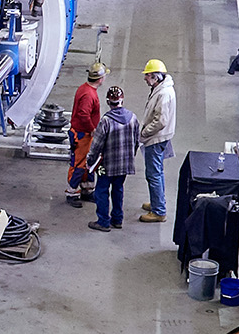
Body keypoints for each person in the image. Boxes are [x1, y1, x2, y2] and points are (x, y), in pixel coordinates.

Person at [84, 82, 139, 232]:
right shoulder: (133, 118)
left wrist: (89, 161)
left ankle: (103, 221)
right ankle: (117, 219)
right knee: (118, 189)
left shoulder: (106, 121)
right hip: (124, 166)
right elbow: (136, 142)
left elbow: (97, 145)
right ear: (122, 100)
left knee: (101, 191)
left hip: (106, 166)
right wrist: (130, 158)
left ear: (108, 102)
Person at [138, 57, 176, 223]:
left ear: (156, 76)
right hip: (159, 137)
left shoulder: (164, 94)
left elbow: (161, 121)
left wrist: (145, 133)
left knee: (153, 174)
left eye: (148, 75)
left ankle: (159, 211)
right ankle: (157, 203)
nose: (145, 78)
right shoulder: (161, 88)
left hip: (156, 139)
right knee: (157, 173)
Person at [65, 63, 104, 206]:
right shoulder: (88, 94)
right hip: (82, 135)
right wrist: (92, 129)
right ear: (100, 79)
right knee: (79, 164)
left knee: (89, 163)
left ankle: (87, 189)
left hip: (85, 134)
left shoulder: (86, 89)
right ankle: (72, 192)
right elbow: (83, 114)